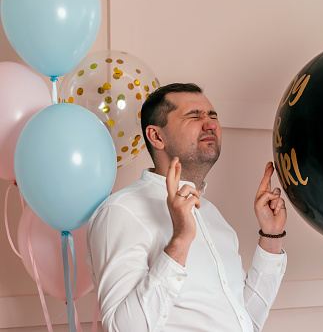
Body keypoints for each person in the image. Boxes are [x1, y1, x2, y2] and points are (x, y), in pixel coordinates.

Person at [86, 83, 288, 332]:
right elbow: (123, 329)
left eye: (213, 116)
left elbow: (246, 320)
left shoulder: (213, 216)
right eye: (194, 116)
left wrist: (271, 237)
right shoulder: (121, 211)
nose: (210, 124)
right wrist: (180, 241)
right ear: (156, 136)